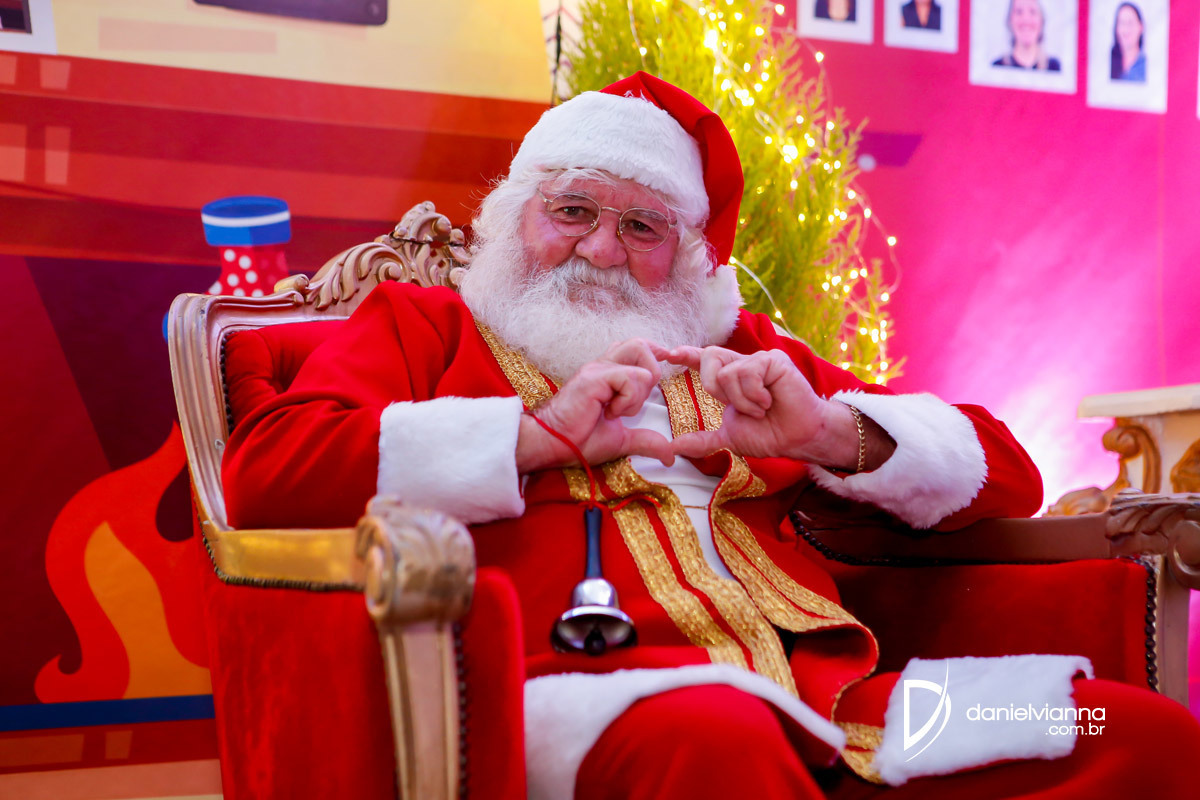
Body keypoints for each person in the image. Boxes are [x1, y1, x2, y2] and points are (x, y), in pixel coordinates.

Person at [223, 72, 1200, 799]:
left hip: (834, 703)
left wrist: (827, 431)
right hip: (579, 700)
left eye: (643, 227)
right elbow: (268, 472)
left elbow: (1007, 472)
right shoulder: (427, 326)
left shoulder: (740, 351)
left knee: (1132, 734)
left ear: (688, 257)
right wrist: (534, 436)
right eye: (573, 211)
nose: (600, 249)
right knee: (721, 738)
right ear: (519, 216)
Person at [992, 0, 1061, 72]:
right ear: (1010, 20)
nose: (1026, 19)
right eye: (1019, 12)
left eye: (1032, 12)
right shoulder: (997, 67)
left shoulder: (1053, 67)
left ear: (1041, 20)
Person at [1110, 2, 1146, 82]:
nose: (1126, 29)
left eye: (1130, 23)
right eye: (1122, 23)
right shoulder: (1108, 63)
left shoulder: (1147, 66)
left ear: (1141, 27)